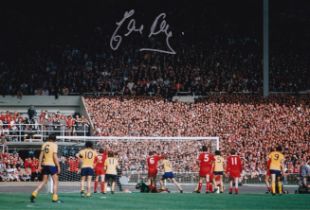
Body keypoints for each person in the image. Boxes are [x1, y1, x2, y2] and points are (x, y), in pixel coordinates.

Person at [30, 134, 61, 203]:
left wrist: (39, 165)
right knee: (56, 181)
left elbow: (41, 156)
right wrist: (58, 166)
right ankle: (55, 198)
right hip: (52, 165)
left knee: (44, 181)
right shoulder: (54, 145)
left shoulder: (44, 144)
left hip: (45, 165)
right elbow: (55, 157)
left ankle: (34, 193)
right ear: (55, 139)